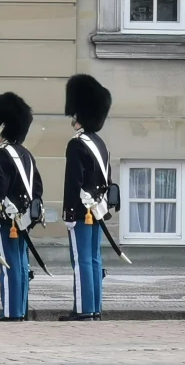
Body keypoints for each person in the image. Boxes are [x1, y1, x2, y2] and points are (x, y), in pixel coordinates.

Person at [60, 74, 113, 322]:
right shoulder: (100, 144)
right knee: (93, 259)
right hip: (98, 210)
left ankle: (83, 309)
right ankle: (94, 307)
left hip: (81, 212)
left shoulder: (77, 143)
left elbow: (73, 182)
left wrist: (69, 213)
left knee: (81, 261)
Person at [0, 92, 44, 321]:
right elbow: (37, 187)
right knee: (20, 264)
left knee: (9, 265)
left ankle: (12, 312)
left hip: (7, 220)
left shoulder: (2, 154)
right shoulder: (26, 154)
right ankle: (19, 309)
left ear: (3, 126)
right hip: (24, 218)